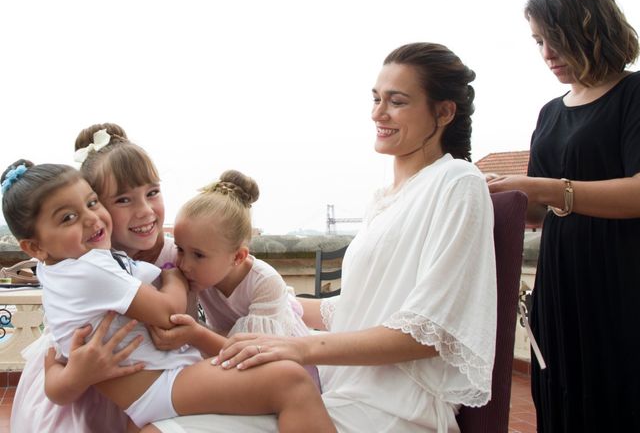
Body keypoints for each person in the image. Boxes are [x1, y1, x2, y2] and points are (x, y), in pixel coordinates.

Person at [151, 42, 498, 433]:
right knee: (158, 421)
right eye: (376, 98)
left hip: (396, 409)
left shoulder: (457, 183)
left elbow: (431, 330)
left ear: (444, 111)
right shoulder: (386, 200)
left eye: (397, 102)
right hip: (336, 391)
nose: (377, 113)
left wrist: (297, 347)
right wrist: (268, 296)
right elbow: (356, 309)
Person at [1, 159, 336, 432]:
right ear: (35, 246)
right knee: (290, 381)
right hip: (160, 383)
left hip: (149, 384)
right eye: (69, 217)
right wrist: (173, 275)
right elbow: (169, 311)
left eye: (91, 204)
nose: (90, 218)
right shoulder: (92, 269)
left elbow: (59, 374)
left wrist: (68, 377)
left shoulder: (59, 270)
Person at [488, 0, 640, 432]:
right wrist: (499, 194)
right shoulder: (551, 113)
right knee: (561, 394)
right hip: (561, 278)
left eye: (554, 38)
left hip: (622, 277)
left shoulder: (634, 95)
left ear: (590, 28)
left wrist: (548, 188)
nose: (547, 53)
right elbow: (536, 212)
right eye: (538, 42)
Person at [10, 123, 177, 433]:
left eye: (152, 193)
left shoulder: (176, 255)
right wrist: (76, 376)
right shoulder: (78, 268)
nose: (144, 211)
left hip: (159, 384)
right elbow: (57, 373)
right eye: (124, 200)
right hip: (86, 402)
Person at [148, 170, 321, 388]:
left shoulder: (265, 283)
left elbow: (250, 353)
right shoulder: (197, 274)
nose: (183, 263)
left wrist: (196, 334)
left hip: (283, 371)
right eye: (180, 249)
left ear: (238, 257)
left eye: (198, 255)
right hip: (227, 357)